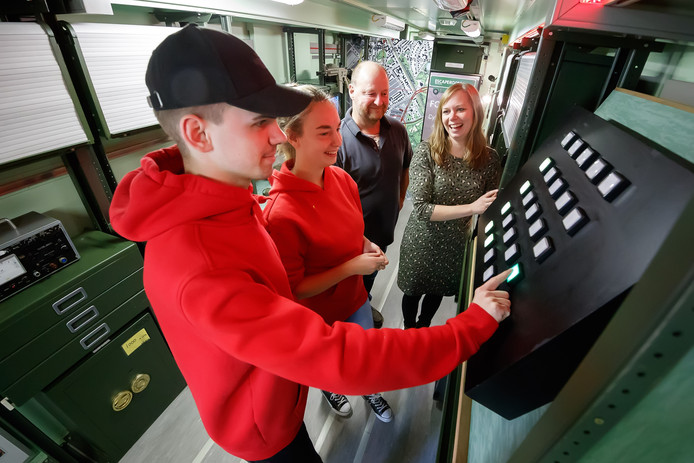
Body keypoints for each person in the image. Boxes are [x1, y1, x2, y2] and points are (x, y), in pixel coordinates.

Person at [109, 25, 511, 463]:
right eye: (261, 122)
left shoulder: (229, 200)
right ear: (198, 134)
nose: (279, 136)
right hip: (266, 429)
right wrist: (470, 327)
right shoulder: (200, 265)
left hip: (281, 386)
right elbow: (336, 354)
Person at [263, 85, 394, 423]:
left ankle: (369, 388)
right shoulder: (280, 213)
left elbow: (350, 227)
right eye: (324, 132)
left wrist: (365, 244)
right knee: (327, 366)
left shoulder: (340, 179)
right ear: (292, 137)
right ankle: (330, 388)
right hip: (317, 316)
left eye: (337, 128)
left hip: (354, 301)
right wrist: (352, 266)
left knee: (364, 357)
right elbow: (297, 288)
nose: (338, 141)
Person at [398, 83, 501, 329]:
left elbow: (490, 203)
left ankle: (424, 325)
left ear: (475, 113)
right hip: (423, 242)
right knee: (412, 292)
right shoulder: (427, 151)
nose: (452, 118)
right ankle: (410, 329)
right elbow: (421, 209)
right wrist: (471, 208)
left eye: (460, 110)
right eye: (446, 111)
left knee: (437, 292)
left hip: (455, 245)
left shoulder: (489, 159)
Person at [336, 61, 412, 327]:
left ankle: (365, 300)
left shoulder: (398, 131)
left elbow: (404, 170)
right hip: (348, 245)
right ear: (352, 91)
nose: (380, 101)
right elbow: (329, 203)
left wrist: (399, 202)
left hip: (384, 233)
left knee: (369, 280)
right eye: (371, 93)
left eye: (385, 93)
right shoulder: (337, 141)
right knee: (345, 291)